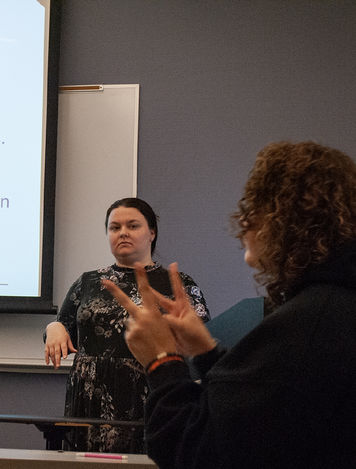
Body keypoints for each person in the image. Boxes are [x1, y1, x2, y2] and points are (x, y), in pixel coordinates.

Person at [103, 141, 356, 468]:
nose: (244, 223)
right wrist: (207, 354)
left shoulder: (310, 323)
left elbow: (200, 450)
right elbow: (258, 416)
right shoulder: (333, 306)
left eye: (253, 207)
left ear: (282, 217)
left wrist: (161, 362)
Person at [43, 197, 210, 454]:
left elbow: (199, 341)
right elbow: (62, 326)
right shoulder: (87, 281)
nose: (123, 233)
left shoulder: (178, 282)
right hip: (90, 396)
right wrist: (52, 328)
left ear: (151, 232)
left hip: (150, 390)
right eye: (115, 227)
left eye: (133, 226)